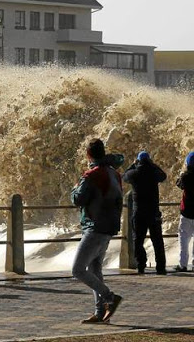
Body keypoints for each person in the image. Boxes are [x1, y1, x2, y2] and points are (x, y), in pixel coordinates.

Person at [71, 138, 123, 324]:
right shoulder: (114, 173)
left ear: (88, 154)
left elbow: (78, 199)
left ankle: (110, 297)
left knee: (77, 269)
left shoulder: (91, 175)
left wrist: (75, 188)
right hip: (109, 227)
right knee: (95, 269)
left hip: (95, 227)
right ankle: (100, 313)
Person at [122, 151, 167, 275]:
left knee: (138, 240)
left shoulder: (134, 174)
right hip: (153, 212)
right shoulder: (153, 172)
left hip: (139, 212)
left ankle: (141, 265)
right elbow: (163, 176)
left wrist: (133, 165)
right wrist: (153, 165)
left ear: (138, 161)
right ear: (149, 161)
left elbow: (124, 176)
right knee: (157, 241)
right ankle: (161, 267)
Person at [174, 152, 194, 272]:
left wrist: (182, 173)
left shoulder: (185, 176)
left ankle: (183, 264)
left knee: (184, 239)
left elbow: (178, 184)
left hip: (187, 213)